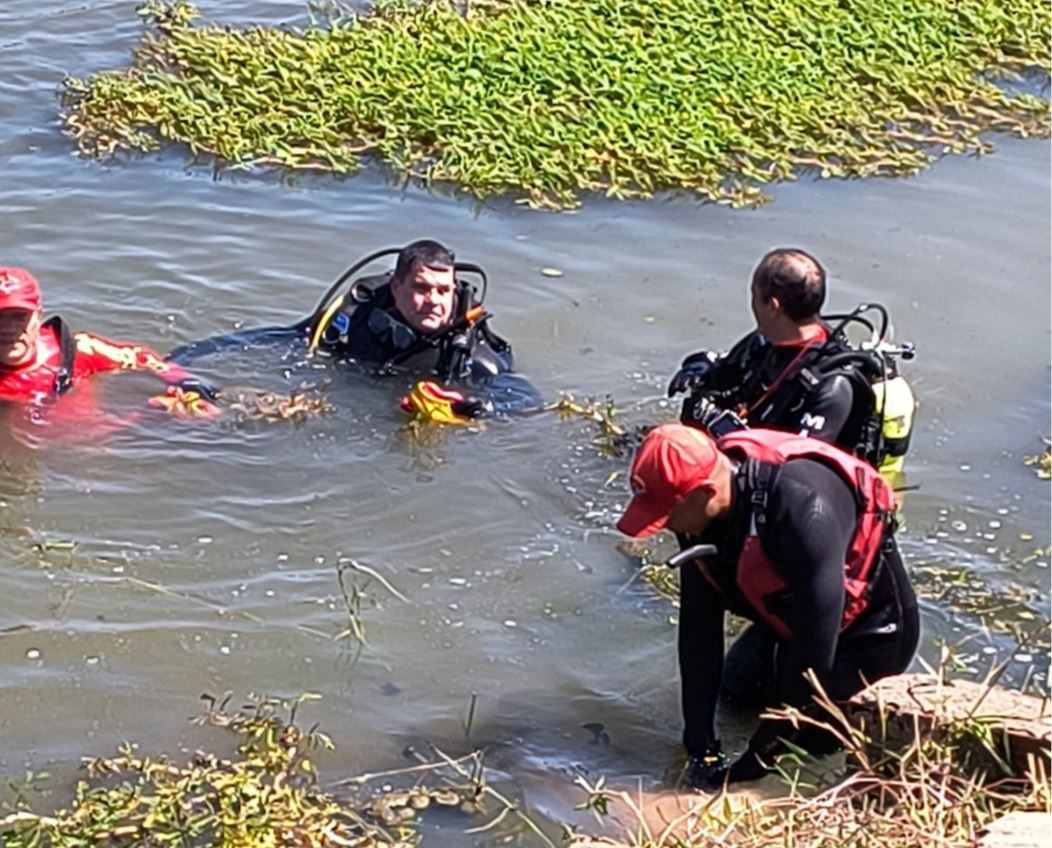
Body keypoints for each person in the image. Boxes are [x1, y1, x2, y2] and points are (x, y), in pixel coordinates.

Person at [617, 422, 919, 788]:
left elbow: (810, 662)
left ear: (705, 493)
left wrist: (752, 765)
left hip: (868, 632)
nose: (664, 527)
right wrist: (700, 746)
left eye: (667, 515)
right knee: (733, 698)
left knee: (810, 746)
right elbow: (699, 631)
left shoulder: (805, 510)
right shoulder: (697, 512)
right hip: (788, 618)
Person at [168, 240, 540, 422]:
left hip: (401, 422)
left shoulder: (470, 353)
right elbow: (285, 337)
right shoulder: (361, 312)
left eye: (444, 291)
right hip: (342, 393)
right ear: (396, 287)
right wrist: (187, 360)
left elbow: (526, 398)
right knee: (283, 411)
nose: (435, 301)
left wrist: (478, 407)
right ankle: (208, 395)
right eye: (422, 288)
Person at [667, 249, 915, 474]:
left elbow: (793, 472)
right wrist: (698, 369)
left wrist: (719, 426)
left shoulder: (834, 386)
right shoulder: (764, 342)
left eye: (754, 295)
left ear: (773, 306)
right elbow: (723, 376)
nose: (751, 303)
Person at [0, 267, 217, 414]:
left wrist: (185, 381)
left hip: (113, 442)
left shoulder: (78, 350)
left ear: (38, 316)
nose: (8, 329)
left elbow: (139, 357)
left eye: (20, 316)